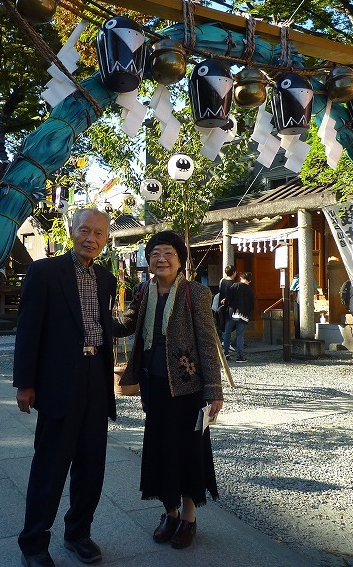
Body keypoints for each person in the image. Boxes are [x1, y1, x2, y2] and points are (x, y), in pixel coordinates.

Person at [13, 208, 117, 567]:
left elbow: (103, 324)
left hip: (97, 377)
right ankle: (34, 543)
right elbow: (28, 330)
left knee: (92, 464)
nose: (91, 238)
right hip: (59, 381)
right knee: (50, 465)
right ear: (71, 230)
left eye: (99, 233)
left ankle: (78, 533)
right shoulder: (45, 272)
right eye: (85, 230)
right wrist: (25, 383)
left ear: (106, 238)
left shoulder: (107, 278)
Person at [114, 230, 224, 550]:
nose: (161, 259)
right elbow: (127, 325)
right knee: (161, 450)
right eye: (155, 254)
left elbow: (207, 343)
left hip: (187, 387)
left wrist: (214, 391)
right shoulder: (143, 291)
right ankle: (170, 513)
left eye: (168, 254)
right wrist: (95, 315)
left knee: (189, 451)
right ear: (148, 260)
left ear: (179, 260)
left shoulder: (196, 293)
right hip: (153, 385)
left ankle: (188, 518)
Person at [223, 272, 254, 362]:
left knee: (227, 332)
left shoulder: (235, 286)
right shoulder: (250, 291)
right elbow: (252, 305)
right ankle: (239, 356)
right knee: (240, 335)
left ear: (241, 277)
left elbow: (228, 298)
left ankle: (226, 353)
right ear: (250, 280)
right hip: (243, 315)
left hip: (232, 313)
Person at [216, 265, 237, 334]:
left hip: (221, 305)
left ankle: (223, 340)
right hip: (230, 306)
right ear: (234, 272)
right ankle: (228, 342)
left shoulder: (222, 281)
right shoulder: (234, 284)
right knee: (230, 324)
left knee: (223, 322)